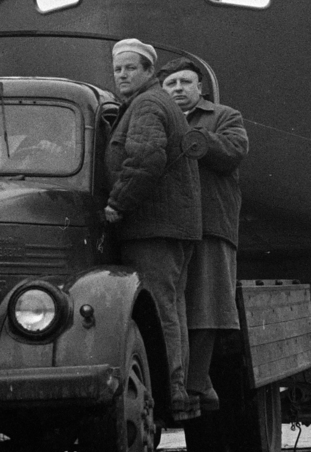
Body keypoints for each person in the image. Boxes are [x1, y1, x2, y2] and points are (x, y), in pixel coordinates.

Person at [103, 39, 202, 419]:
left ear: (148, 72)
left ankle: (169, 392)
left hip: (153, 228)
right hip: (172, 226)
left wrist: (117, 204)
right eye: (117, 69)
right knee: (172, 308)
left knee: (161, 309)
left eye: (131, 68)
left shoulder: (146, 105)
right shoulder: (157, 103)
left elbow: (146, 158)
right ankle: (175, 389)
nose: (122, 75)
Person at [160, 57, 249, 412]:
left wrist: (197, 138)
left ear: (201, 88)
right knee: (174, 304)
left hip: (211, 224)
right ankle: (186, 378)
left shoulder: (225, 116)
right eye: (171, 84)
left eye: (185, 82)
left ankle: (197, 377)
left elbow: (234, 151)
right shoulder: (156, 114)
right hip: (171, 224)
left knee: (208, 303)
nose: (178, 89)